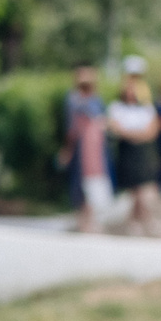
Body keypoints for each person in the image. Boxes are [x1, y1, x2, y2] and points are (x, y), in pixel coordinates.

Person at [106, 72, 161, 234]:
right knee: (134, 187)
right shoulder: (117, 107)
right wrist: (137, 135)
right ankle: (144, 218)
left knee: (140, 187)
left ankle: (136, 219)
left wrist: (131, 134)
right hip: (127, 151)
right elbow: (116, 129)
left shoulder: (146, 108)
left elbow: (152, 131)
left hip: (142, 151)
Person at [60, 64, 111, 233]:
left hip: (94, 149)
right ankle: (82, 219)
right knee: (79, 183)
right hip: (80, 148)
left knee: (92, 182)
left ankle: (90, 218)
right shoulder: (73, 100)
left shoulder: (96, 100)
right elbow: (71, 129)